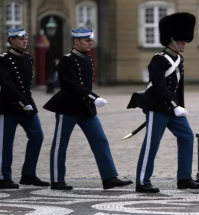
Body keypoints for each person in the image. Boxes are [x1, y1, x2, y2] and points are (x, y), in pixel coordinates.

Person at [43, 29, 133, 190]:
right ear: (76, 42)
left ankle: (109, 177)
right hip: (68, 107)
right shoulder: (66, 60)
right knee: (60, 144)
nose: (91, 43)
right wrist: (93, 97)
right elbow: (71, 84)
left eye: (91, 40)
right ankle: (57, 180)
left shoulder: (87, 60)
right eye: (87, 41)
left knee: (100, 140)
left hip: (85, 108)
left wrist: (90, 99)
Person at [130, 13, 199, 193]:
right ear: (171, 40)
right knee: (152, 143)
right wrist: (174, 106)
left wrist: (180, 105)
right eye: (181, 41)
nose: (184, 44)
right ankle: (142, 181)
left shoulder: (179, 59)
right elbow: (159, 86)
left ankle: (184, 178)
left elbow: (178, 88)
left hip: (172, 108)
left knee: (186, 137)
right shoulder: (158, 59)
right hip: (157, 106)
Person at [0, 28, 49, 189]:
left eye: (25, 38)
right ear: (11, 40)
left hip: (28, 105)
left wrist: (27, 103)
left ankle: (28, 174)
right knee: (6, 142)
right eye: (20, 39)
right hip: (9, 106)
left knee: (37, 136)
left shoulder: (28, 58)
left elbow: (26, 85)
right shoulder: (3, 59)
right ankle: (4, 177)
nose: (24, 41)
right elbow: (7, 84)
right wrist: (21, 102)